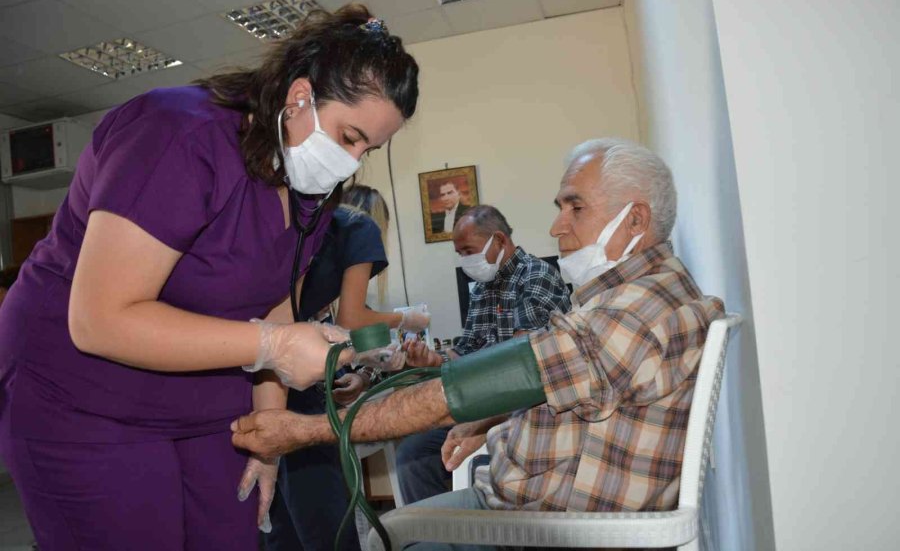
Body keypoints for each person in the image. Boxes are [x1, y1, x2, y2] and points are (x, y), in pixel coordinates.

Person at [0, 4, 419, 551]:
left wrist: (269, 433)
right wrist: (273, 345)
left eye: (369, 148)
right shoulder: (178, 134)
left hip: (207, 398)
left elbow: (276, 305)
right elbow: (100, 319)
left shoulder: (309, 190)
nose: (351, 161)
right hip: (84, 393)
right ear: (299, 97)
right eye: (348, 136)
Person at [232, 139, 726, 551]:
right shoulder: (638, 292)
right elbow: (537, 376)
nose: (557, 226)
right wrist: (484, 420)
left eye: (576, 207)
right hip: (531, 494)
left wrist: (307, 429)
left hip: (548, 525)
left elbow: (477, 385)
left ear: (636, 220)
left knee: (388, 535)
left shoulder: (631, 315)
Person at [265, 184, 430, 551]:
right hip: (295, 382)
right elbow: (354, 323)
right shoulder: (358, 232)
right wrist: (405, 318)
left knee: (283, 516)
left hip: (266, 374)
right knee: (323, 510)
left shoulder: (305, 233)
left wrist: (366, 370)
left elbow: (350, 343)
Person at [396, 205, 570, 504]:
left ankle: (460, 529)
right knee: (413, 454)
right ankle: (438, 535)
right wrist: (432, 360)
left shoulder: (536, 276)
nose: (465, 260)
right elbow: (466, 351)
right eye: (460, 253)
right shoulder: (482, 290)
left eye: (468, 250)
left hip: (522, 409)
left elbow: (521, 364)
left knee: (421, 453)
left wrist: (476, 418)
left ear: (499, 240)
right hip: (481, 404)